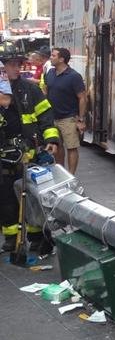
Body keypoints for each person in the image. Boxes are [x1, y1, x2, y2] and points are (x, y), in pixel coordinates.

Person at [0, 51, 60, 252]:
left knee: (34, 198)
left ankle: (37, 237)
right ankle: (11, 238)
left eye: (18, 64)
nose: (17, 68)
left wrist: (51, 138)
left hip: (29, 154)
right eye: (11, 65)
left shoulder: (29, 90)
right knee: (7, 198)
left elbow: (46, 115)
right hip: (4, 157)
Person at [44, 48, 87, 174]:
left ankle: (71, 176)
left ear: (62, 59)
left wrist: (80, 119)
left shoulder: (74, 76)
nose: (51, 57)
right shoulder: (50, 73)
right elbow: (46, 92)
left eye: (53, 55)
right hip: (53, 118)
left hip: (69, 118)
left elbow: (82, 98)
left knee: (71, 147)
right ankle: (61, 174)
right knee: (57, 147)